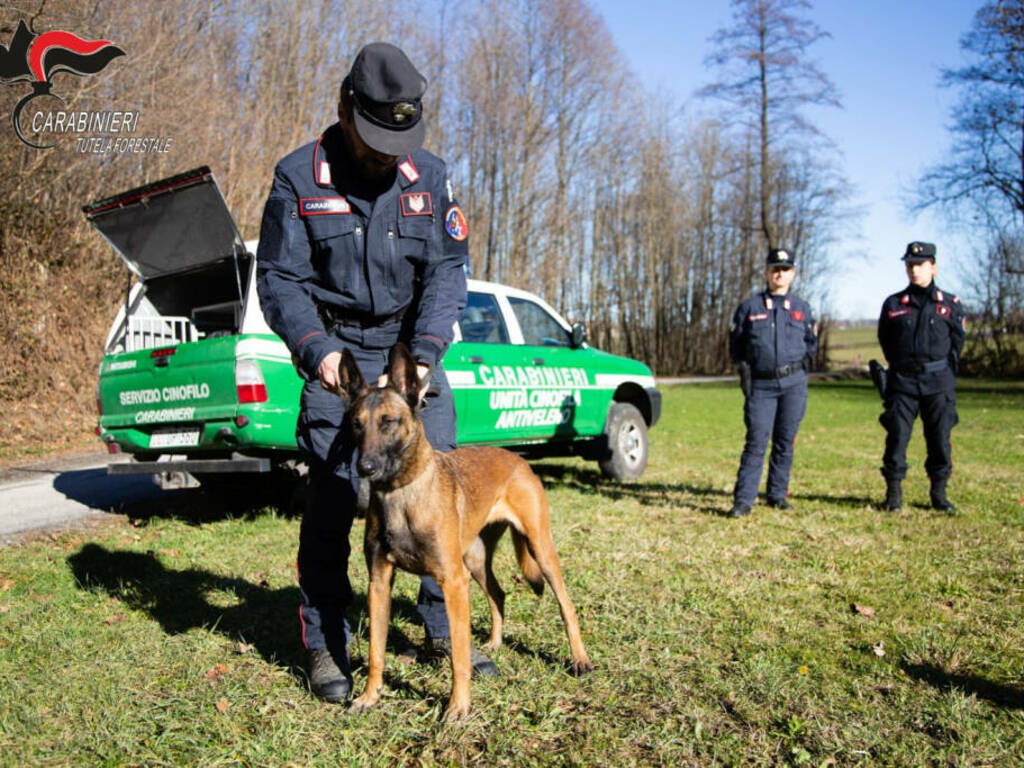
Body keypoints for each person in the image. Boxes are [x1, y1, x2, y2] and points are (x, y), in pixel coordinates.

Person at [255, 42, 495, 704]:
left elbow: (448, 268)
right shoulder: (298, 178)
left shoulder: (430, 175)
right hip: (336, 358)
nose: (390, 153)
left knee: (437, 494)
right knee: (333, 505)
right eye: (376, 138)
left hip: (409, 354)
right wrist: (314, 348)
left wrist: (426, 348)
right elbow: (277, 276)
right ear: (344, 109)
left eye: (401, 136)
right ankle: (327, 643)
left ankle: (445, 629)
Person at [727, 248, 818, 518]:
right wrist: (746, 374)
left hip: (793, 383)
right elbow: (736, 347)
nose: (780, 274)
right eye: (775, 269)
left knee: (784, 441)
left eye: (785, 269)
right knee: (756, 441)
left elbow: (811, 345)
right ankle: (744, 500)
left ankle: (777, 494)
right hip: (762, 386)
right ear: (767, 272)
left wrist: (799, 371)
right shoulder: (750, 307)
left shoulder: (802, 308)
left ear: (793, 273)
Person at [876, 241, 965, 513]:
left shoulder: (950, 305)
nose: (915, 270)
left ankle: (939, 494)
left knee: (939, 438)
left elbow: (956, 344)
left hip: (938, 381)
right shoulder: (893, 304)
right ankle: (893, 494)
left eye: (920, 265)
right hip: (903, 382)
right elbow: (886, 341)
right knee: (897, 437)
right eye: (910, 265)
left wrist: (940, 370)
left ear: (933, 267)